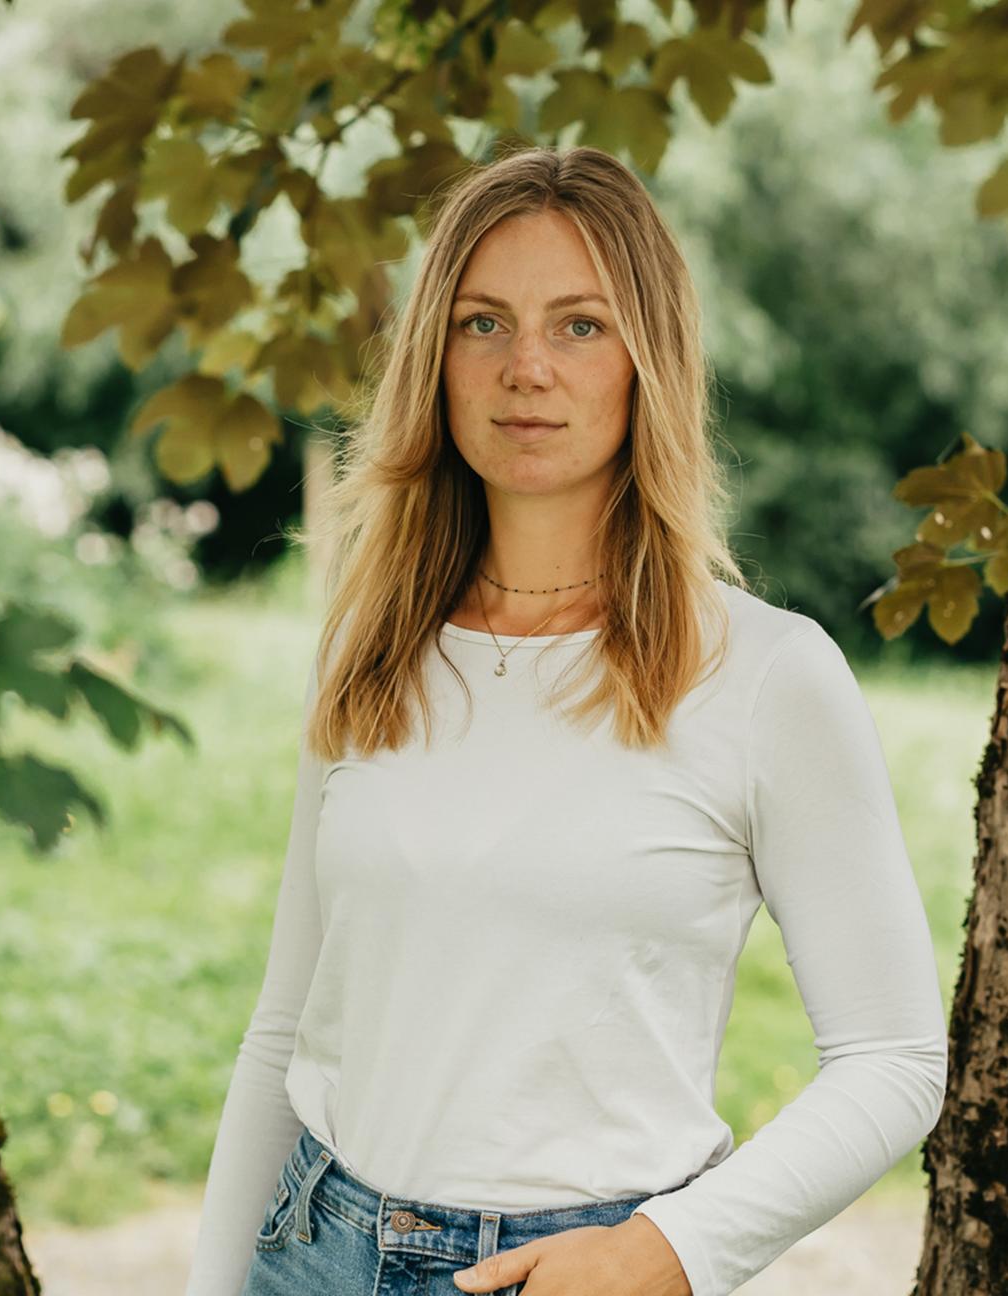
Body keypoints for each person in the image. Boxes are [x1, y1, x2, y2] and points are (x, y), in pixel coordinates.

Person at [183, 144, 948, 1296]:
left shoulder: (766, 674)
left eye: (580, 326)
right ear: (434, 359)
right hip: (317, 1253)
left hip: (587, 1269)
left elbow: (894, 1059)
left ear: (650, 360)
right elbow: (285, 1027)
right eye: (482, 323)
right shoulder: (369, 645)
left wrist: (666, 1251)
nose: (525, 368)